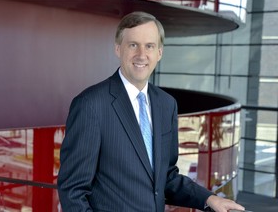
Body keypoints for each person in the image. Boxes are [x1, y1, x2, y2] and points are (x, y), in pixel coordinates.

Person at [57, 11, 245, 212]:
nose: (141, 55)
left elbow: (166, 177)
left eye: (149, 46)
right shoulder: (91, 104)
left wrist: (209, 199)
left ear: (159, 53)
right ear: (118, 49)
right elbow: (72, 190)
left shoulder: (166, 104)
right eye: (133, 45)